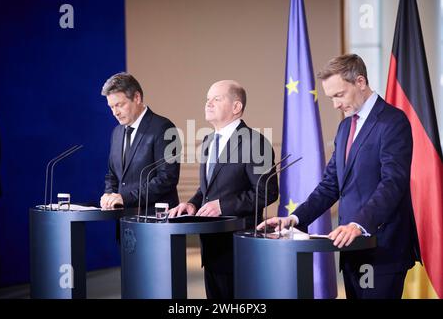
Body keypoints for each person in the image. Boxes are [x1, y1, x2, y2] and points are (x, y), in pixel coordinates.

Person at [258, 54, 421, 299]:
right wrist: (293, 219)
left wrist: (358, 224)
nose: (335, 104)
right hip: (351, 247)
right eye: (330, 97)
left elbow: (393, 183)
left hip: (382, 247)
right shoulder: (345, 127)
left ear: (360, 82)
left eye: (339, 95)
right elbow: (330, 185)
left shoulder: (392, 122)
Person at [169, 80, 279, 299]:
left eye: (216, 99)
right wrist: (192, 203)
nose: (208, 104)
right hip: (211, 246)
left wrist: (223, 205)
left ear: (236, 107)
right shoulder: (209, 140)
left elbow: (267, 192)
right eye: (207, 99)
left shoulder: (254, 142)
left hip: (238, 245)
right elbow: (207, 189)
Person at [100, 72, 180, 216]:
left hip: (155, 220)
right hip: (124, 219)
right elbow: (113, 174)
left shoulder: (164, 127)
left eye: (119, 105)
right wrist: (109, 195)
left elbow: (167, 178)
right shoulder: (117, 132)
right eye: (111, 107)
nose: (115, 112)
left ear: (137, 97)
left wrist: (126, 198)